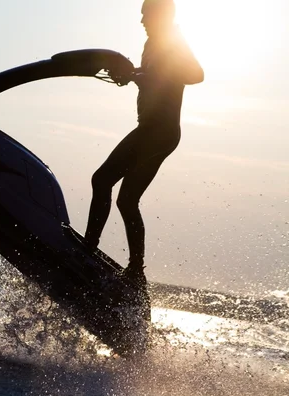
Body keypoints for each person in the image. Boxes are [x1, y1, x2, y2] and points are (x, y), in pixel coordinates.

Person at [84, 0, 204, 289]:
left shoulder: (173, 41)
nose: (141, 20)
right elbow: (153, 76)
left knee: (102, 180)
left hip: (159, 132)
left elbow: (196, 75)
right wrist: (132, 74)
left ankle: (88, 249)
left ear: (161, 15)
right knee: (125, 199)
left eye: (145, 14)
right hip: (151, 129)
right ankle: (135, 271)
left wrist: (142, 75)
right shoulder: (152, 43)